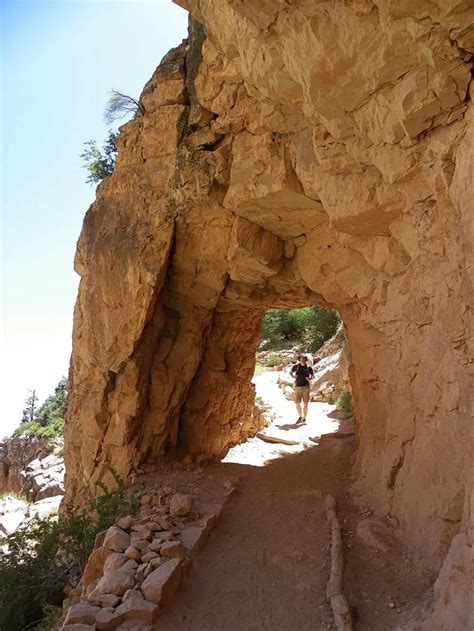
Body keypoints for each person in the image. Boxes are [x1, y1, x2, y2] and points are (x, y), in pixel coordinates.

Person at [290, 354, 314, 423]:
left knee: (305, 403)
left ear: (306, 359)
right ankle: (300, 416)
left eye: (304, 358)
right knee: (297, 402)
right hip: (297, 386)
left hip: (306, 387)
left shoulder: (308, 367)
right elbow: (290, 372)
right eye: (301, 358)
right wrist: (293, 377)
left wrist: (310, 378)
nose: (302, 359)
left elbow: (313, 375)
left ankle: (304, 417)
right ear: (299, 359)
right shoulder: (296, 367)